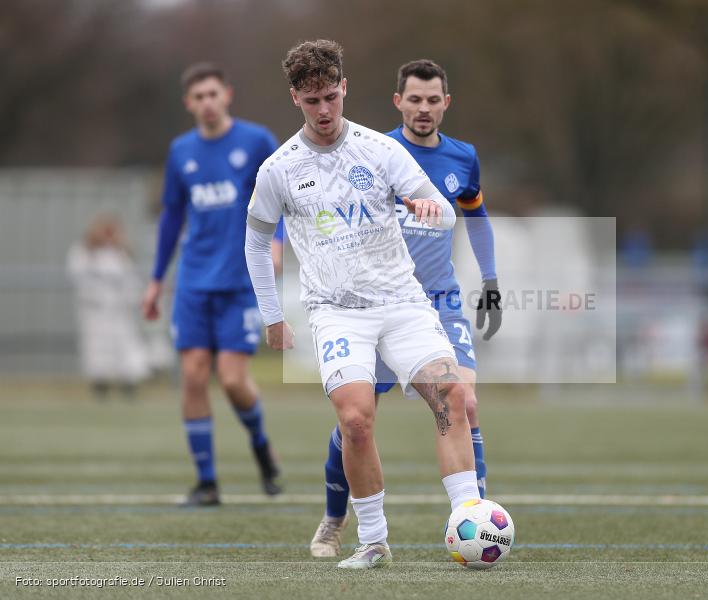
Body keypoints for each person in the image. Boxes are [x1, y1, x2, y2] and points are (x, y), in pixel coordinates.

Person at [244, 39, 482, 569]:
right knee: (355, 419)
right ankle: (373, 540)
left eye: (331, 96)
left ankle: (470, 515)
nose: (325, 111)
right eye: (312, 101)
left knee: (452, 395)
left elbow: (444, 214)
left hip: (402, 301)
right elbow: (256, 242)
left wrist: (427, 207)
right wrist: (272, 316)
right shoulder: (279, 169)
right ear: (295, 99)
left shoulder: (381, 150)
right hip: (336, 311)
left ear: (344, 87)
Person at [305, 58, 501, 558]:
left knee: (464, 400)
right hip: (377, 305)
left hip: (438, 301)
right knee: (354, 422)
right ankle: (333, 517)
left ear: (446, 104)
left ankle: (474, 520)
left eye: (433, 99)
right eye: (414, 99)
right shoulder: (375, 151)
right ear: (398, 102)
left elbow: (476, 217)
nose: (424, 108)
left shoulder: (463, 158)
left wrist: (492, 280)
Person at [142, 62, 283, 506]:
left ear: (227, 94)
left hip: (240, 281)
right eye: (197, 96)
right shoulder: (180, 150)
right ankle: (207, 482)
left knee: (233, 380)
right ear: (188, 103)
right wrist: (155, 279)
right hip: (193, 283)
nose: (206, 102)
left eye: (212, 94)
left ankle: (261, 445)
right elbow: (171, 218)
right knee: (193, 376)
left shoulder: (256, 141)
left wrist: (276, 242)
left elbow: (283, 194)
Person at [67, 215, 149, 399]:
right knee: (97, 348)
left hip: (120, 310)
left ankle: (129, 384)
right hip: (96, 311)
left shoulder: (121, 254)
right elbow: (78, 275)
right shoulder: (84, 252)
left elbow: (131, 279)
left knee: (126, 346)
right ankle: (100, 385)